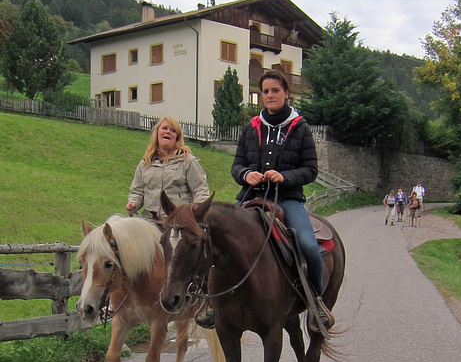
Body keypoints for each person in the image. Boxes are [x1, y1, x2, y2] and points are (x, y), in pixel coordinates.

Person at [196, 70, 334, 333]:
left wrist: (284, 176)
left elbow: (311, 170)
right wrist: (247, 174)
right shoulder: (252, 127)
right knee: (214, 240)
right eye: (266, 91)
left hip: (287, 199)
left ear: (286, 93)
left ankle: (316, 304)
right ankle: (213, 303)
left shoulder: (300, 127)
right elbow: (237, 165)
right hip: (252, 197)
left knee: (308, 245)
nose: (270, 95)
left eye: (275, 90)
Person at [126, 116, 210, 220]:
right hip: (149, 221)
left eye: (173, 130)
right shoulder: (145, 163)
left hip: (177, 222)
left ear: (177, 137)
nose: (168, 132)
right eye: (164, 128)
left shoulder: (187, 161)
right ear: (157, 133)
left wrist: (197, 213)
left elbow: (201, 189)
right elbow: (137, 191)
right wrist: (133, 203)